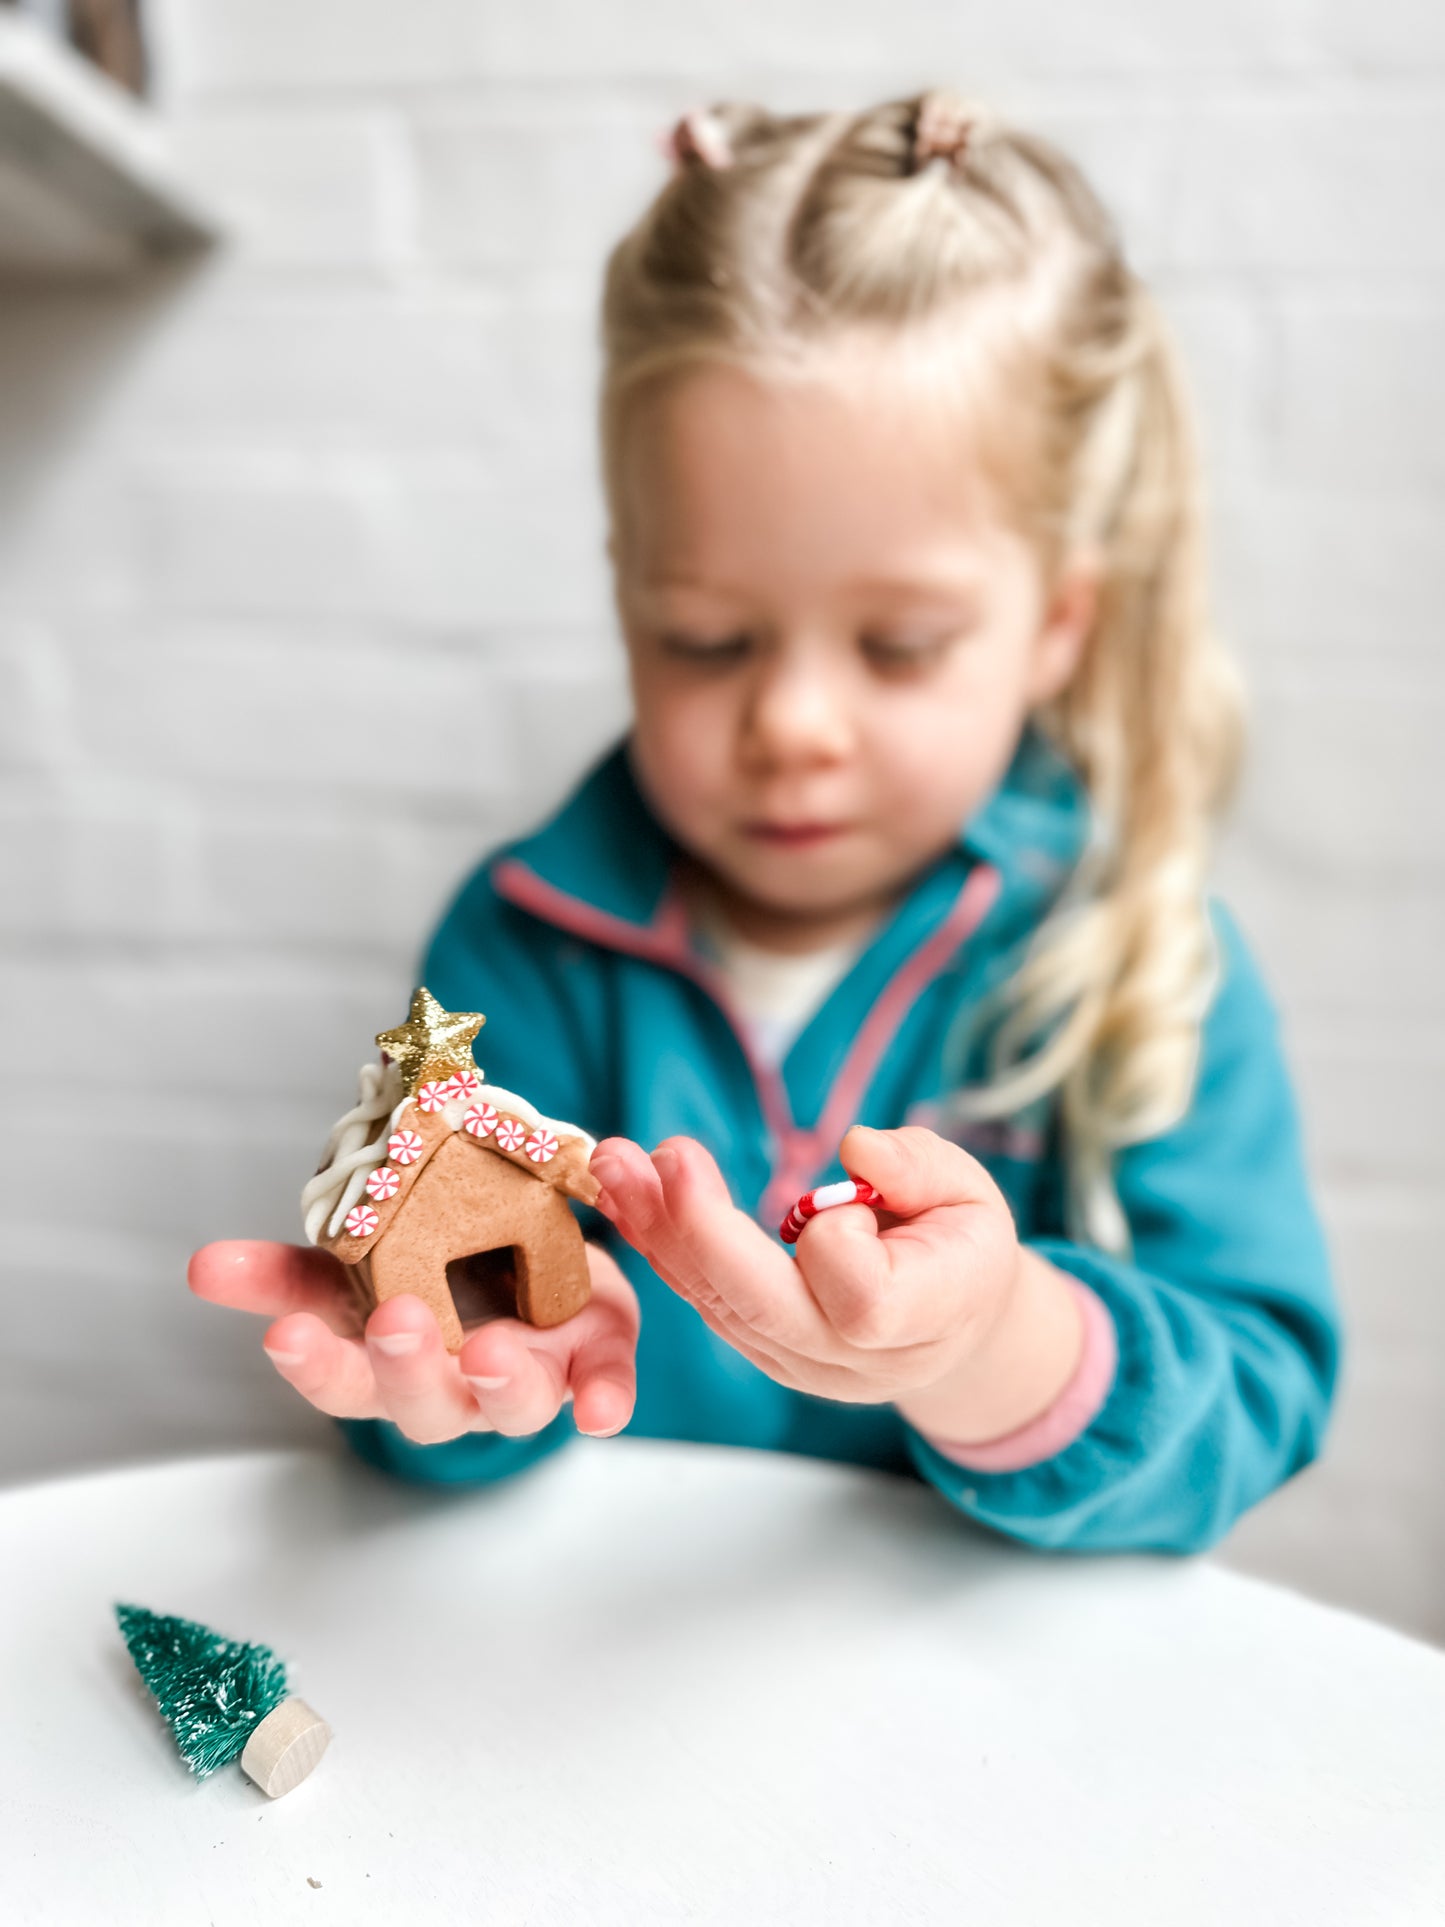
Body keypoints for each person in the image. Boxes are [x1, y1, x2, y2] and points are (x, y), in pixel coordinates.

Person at [190, 93, 1339, 1552]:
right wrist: (478, 1390)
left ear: (1055, 625)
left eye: (899, 645)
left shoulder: (1141, 964)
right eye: (707, 640)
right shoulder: (524, 944)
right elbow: (465, 1398)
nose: (791, 723)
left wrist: (995, 1348)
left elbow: (1262, 1392)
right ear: (625, 600)